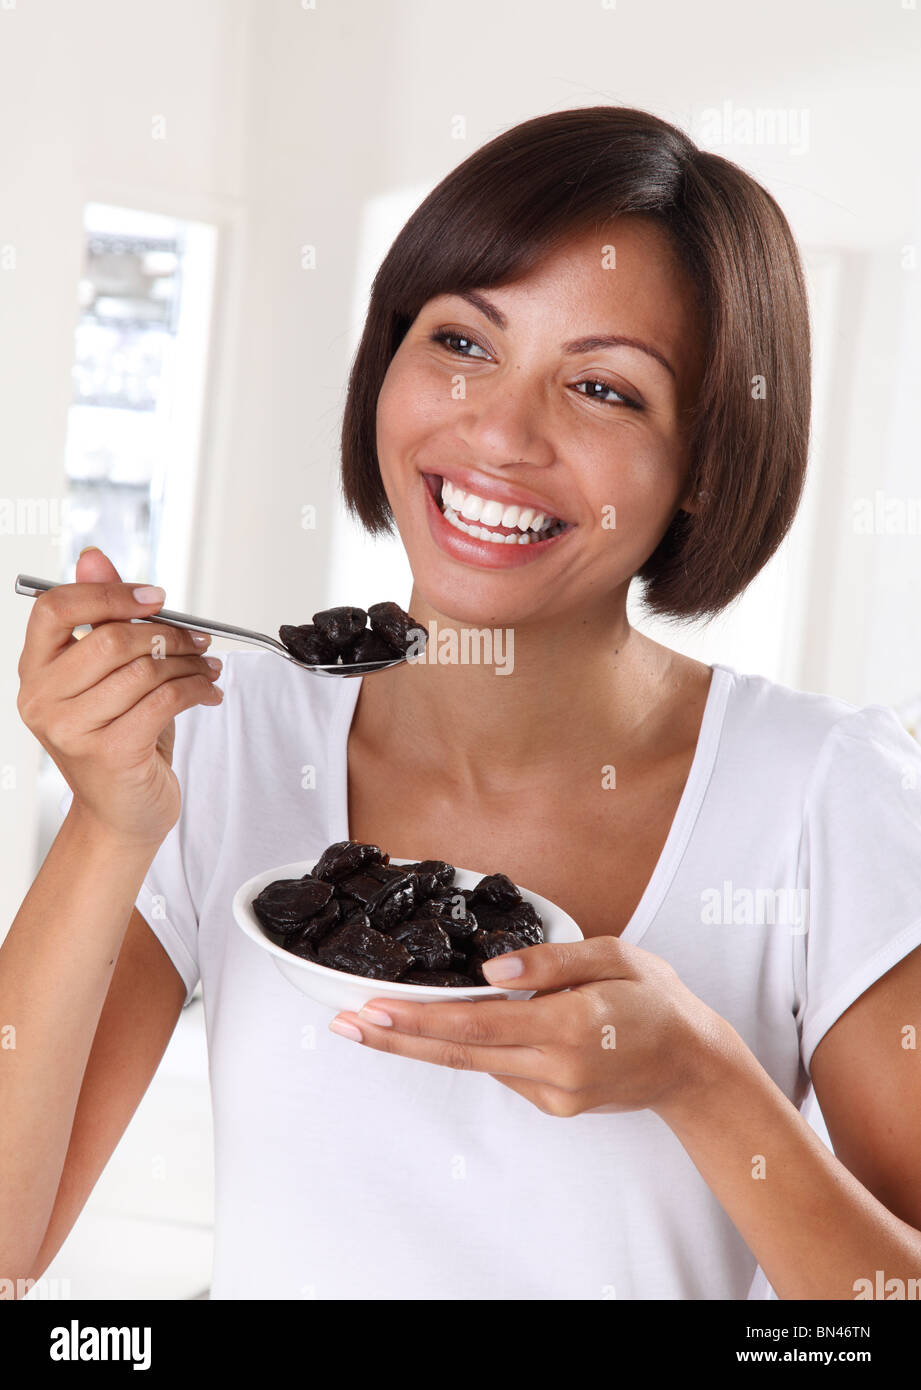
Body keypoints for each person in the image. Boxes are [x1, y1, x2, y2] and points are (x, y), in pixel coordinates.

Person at [5, 106, 921, 1301]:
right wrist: (112, 819)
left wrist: (704, 1082)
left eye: (602, 387)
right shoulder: (231, 735)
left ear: (703, 466)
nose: (496, 430)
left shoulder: (823, 793)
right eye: (463, 342)